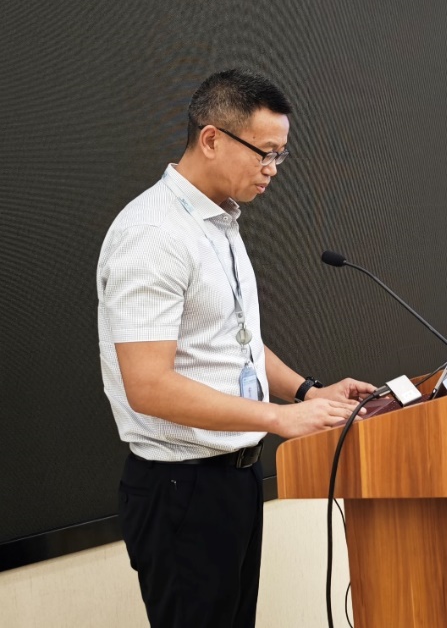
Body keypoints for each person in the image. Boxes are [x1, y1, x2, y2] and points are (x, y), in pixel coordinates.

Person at [97, 69, 376, 628]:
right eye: (264, 153)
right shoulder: (153, 234)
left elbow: (237, 344)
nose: (273, 168)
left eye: (280, 155)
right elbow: (147, 386)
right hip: (182, 486)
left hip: (236, 477)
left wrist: (307, 393)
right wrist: (279, 417)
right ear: (211, 139)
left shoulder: (219, 222)